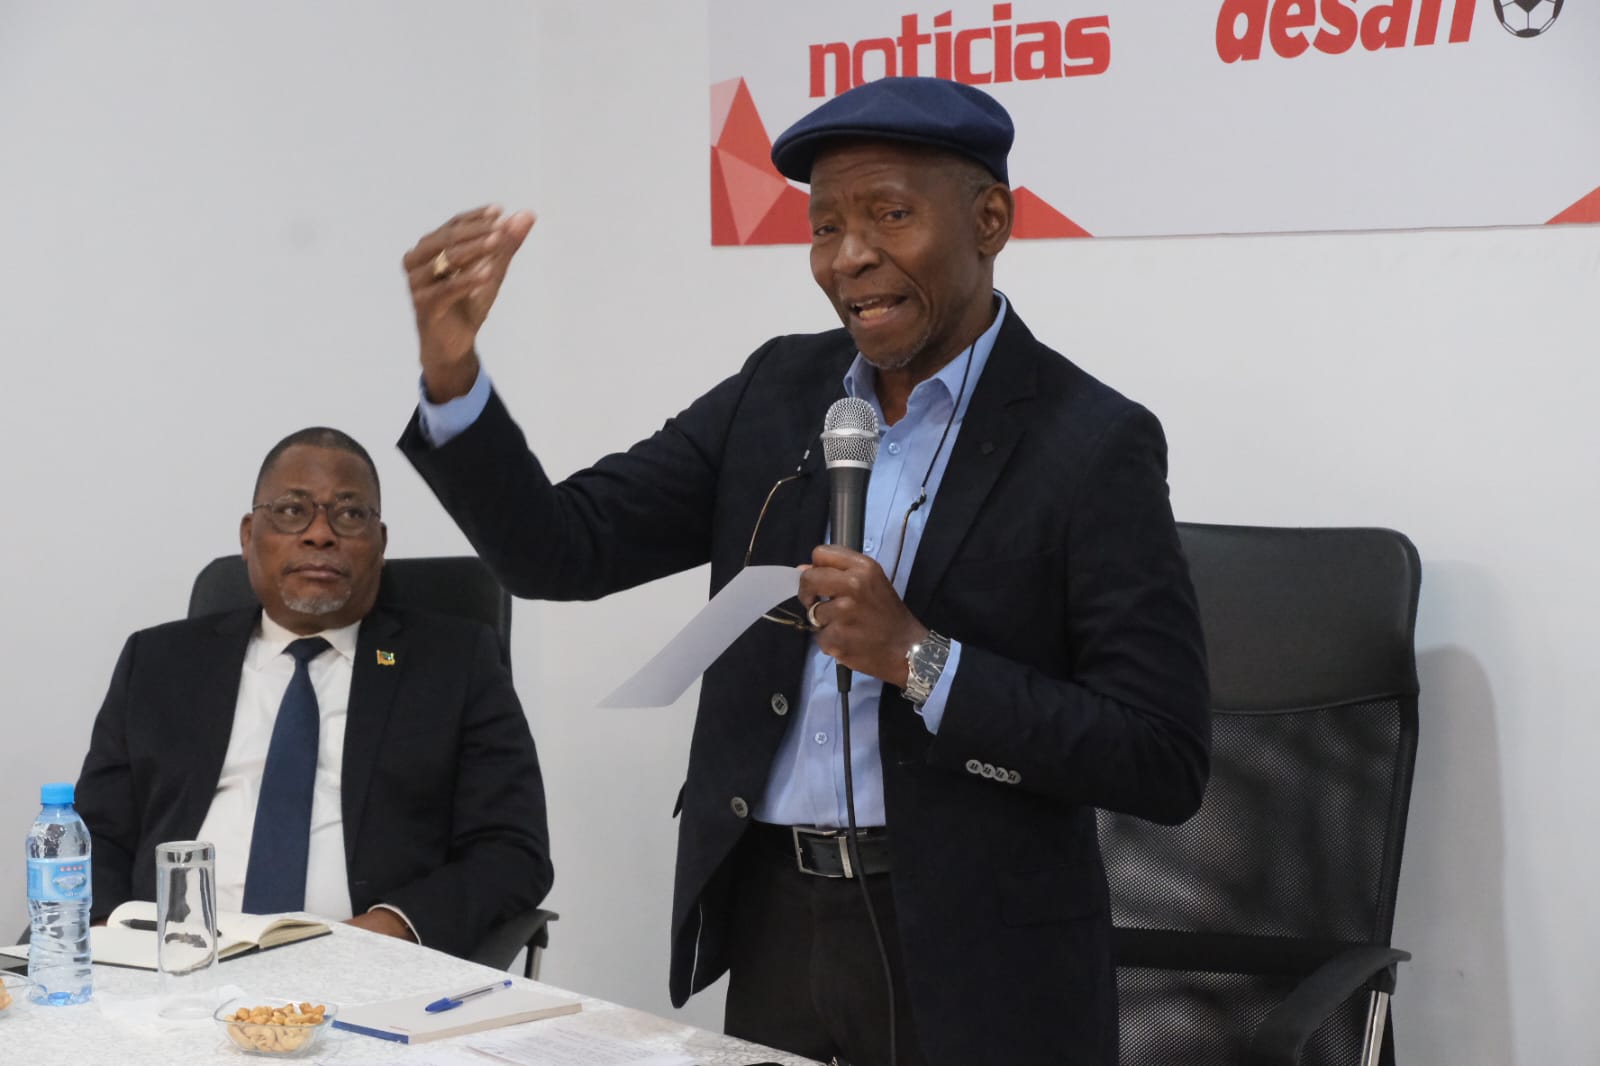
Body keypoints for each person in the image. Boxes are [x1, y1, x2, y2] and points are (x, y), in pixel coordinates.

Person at [398, 77, 1209, 1064]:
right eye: (825, 226)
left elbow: (1160, 757)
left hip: (980, 949)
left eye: (890, 215)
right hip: (778, 919)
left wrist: (919, 659)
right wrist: (453, 375)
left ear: (989, 220)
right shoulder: (777, 392)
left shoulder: (1090, 443)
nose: (848, 255)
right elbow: (558, 549)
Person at [74, 427, 552, 961]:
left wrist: (387, 929)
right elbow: (96, 834)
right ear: (248, 534)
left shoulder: (455, 663)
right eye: (291, 511)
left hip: (364, 963)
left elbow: (512, 852)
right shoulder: (159, 662)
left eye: (349, 514)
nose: (320, 534)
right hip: (171, 964)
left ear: (380, 544)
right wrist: (111, 941)